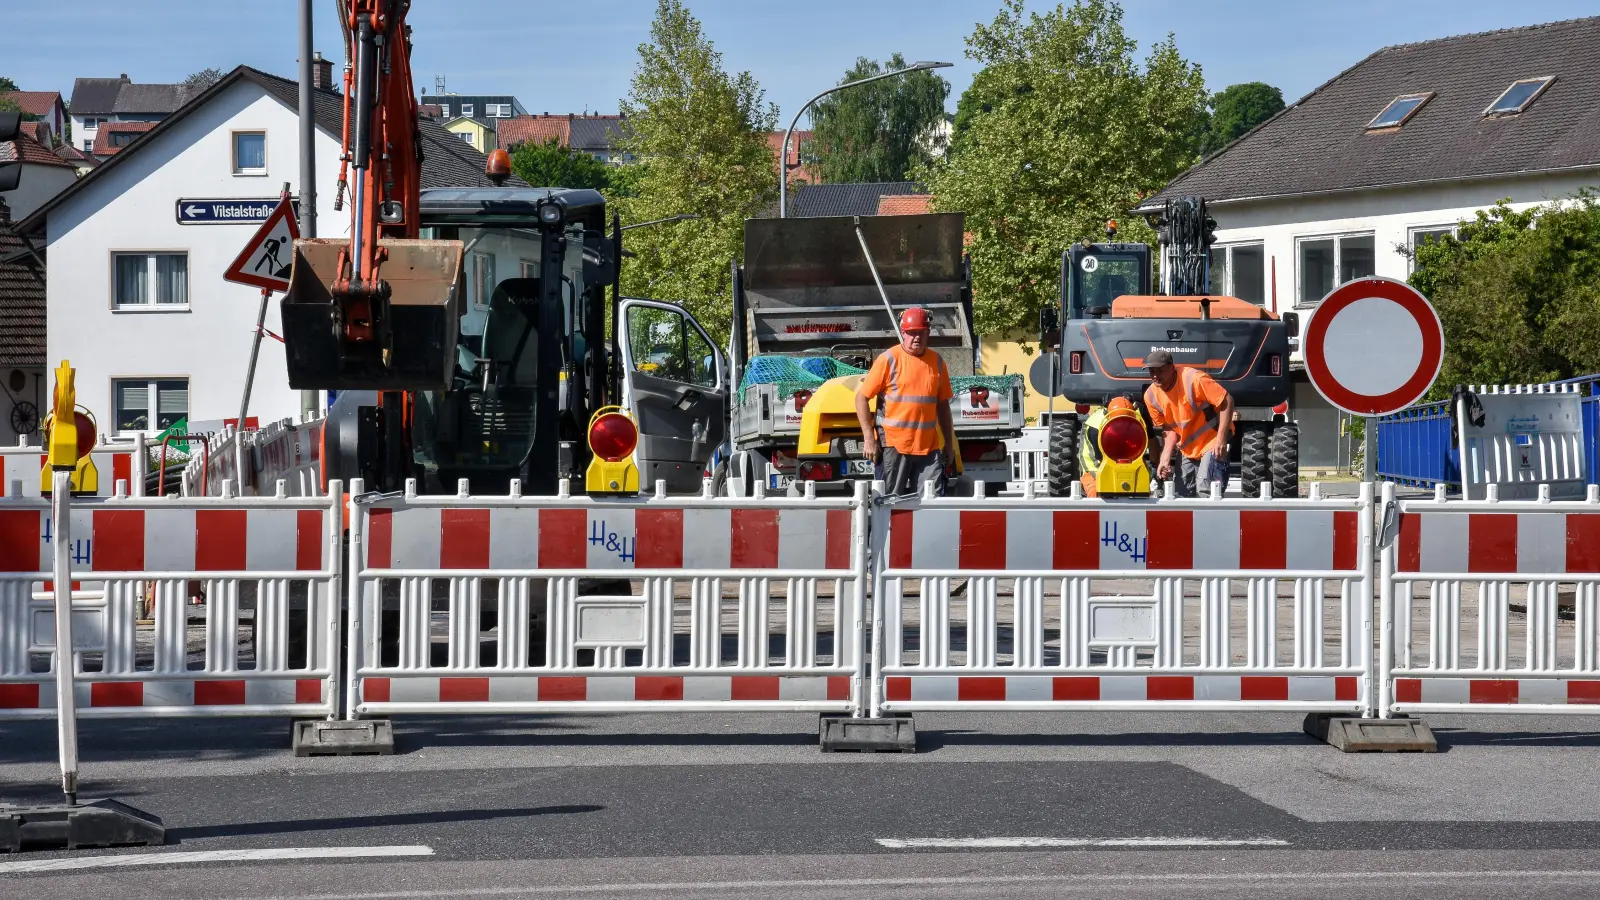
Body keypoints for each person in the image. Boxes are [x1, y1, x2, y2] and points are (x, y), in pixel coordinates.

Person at [856, 307, 956, 496]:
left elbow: (943, 407)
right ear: (903, 333)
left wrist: (949, 445)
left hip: (929, 448)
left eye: (921, 332)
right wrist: (869, 439)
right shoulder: (889, 359)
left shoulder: (937, 362)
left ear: (928, 332)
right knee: (889, 502)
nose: (916, 337)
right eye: (911, 333)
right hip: (894, 446)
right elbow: (861, 398)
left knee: (931, 502)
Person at [1143, 349, 1235, 497]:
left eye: (1160, 370)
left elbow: (1227, 401)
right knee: (1181, 495)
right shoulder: (1151, 396)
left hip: (1212, 441)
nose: (1155, 376)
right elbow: (1168, 430)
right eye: (1151, 371)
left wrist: (1221, 439)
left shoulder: (1194, 379)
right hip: (1187, 448)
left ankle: (1210, 521)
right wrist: (1165, 458)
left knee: (1206, 491)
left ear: (1172, 368)